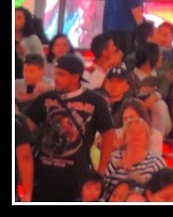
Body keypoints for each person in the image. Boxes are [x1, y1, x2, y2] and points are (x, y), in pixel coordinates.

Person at [25, 52, 115, 201]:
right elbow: (25, 128)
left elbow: (109, 134)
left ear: (75, 77)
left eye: (61, 75)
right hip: (43, 175)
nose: (56, 78)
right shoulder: (45, 98)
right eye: (55, 74)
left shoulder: (96, 102)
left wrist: (101, 171)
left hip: (77, 178)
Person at [102, 112, 166, 198]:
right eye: (131, 131)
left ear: (147, 139)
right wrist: (115, 165)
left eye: (140, 132)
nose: (136, 135)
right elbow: (99, 184)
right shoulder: (112, 158)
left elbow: (163, 192)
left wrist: (141, 179)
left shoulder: (156, 162)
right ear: (124, 139)